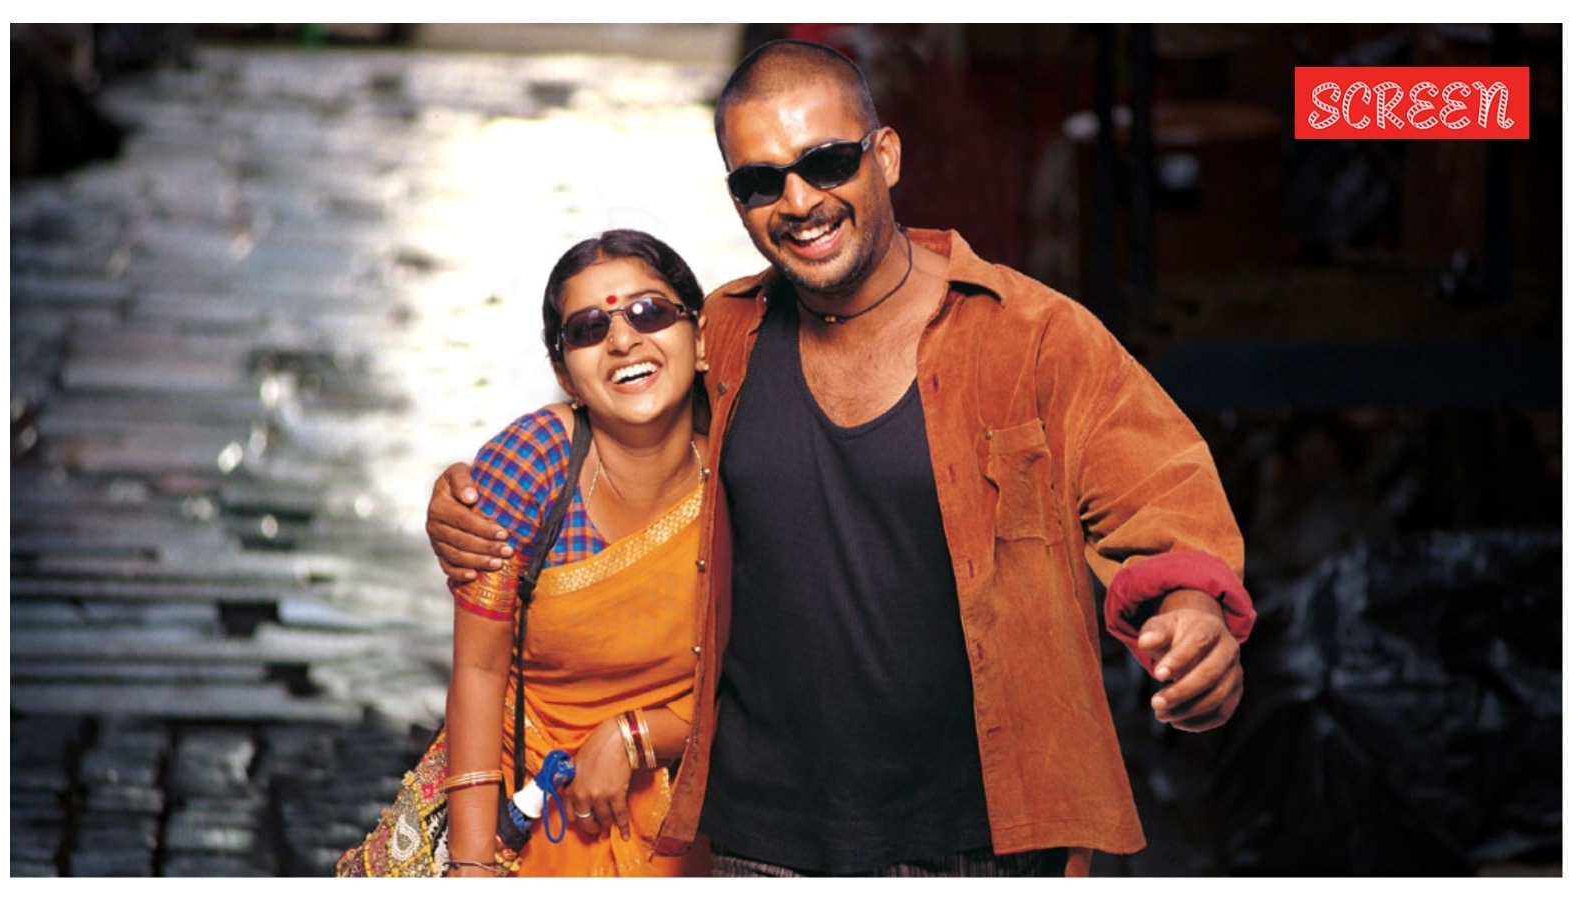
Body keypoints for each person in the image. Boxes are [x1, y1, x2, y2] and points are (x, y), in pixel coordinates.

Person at [424, 40, 1256, 877]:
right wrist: (468, 499)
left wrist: (1193, 612)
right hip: (759, 846)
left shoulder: (1031, 336)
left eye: (826, 163)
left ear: (884, 156)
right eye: (761, 181)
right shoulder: (727, 335)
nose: (799, 202)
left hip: (981, 845)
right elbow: (621, 408)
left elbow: (1158, 491)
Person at [431, 229, 713, 877]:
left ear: (699, 340)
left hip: (681, 818)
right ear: (566, 376)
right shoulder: (532, 463)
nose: (623, 340)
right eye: (589, 328)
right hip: (522, 808)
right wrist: (472, 865)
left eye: (649, 312)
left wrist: (634, 736)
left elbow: (765, 687)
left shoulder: (741, 466)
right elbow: (478, 671)